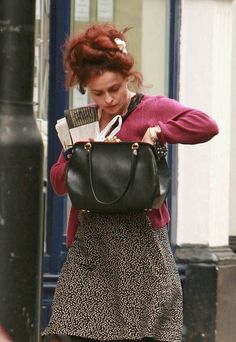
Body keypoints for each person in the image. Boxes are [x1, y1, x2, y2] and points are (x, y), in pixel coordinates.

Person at [42, 23, 219, 342]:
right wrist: (74, 154)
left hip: (141, 242)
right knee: (67, 331)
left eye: (115, 88)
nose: (108, 99)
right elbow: (57, 184)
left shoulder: (153, 109)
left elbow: (206, 125)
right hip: (92, 244)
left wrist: (161, 132)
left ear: (128, 78)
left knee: (144, 333)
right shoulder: (81, 121)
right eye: (98, 92)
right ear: (86, 90)